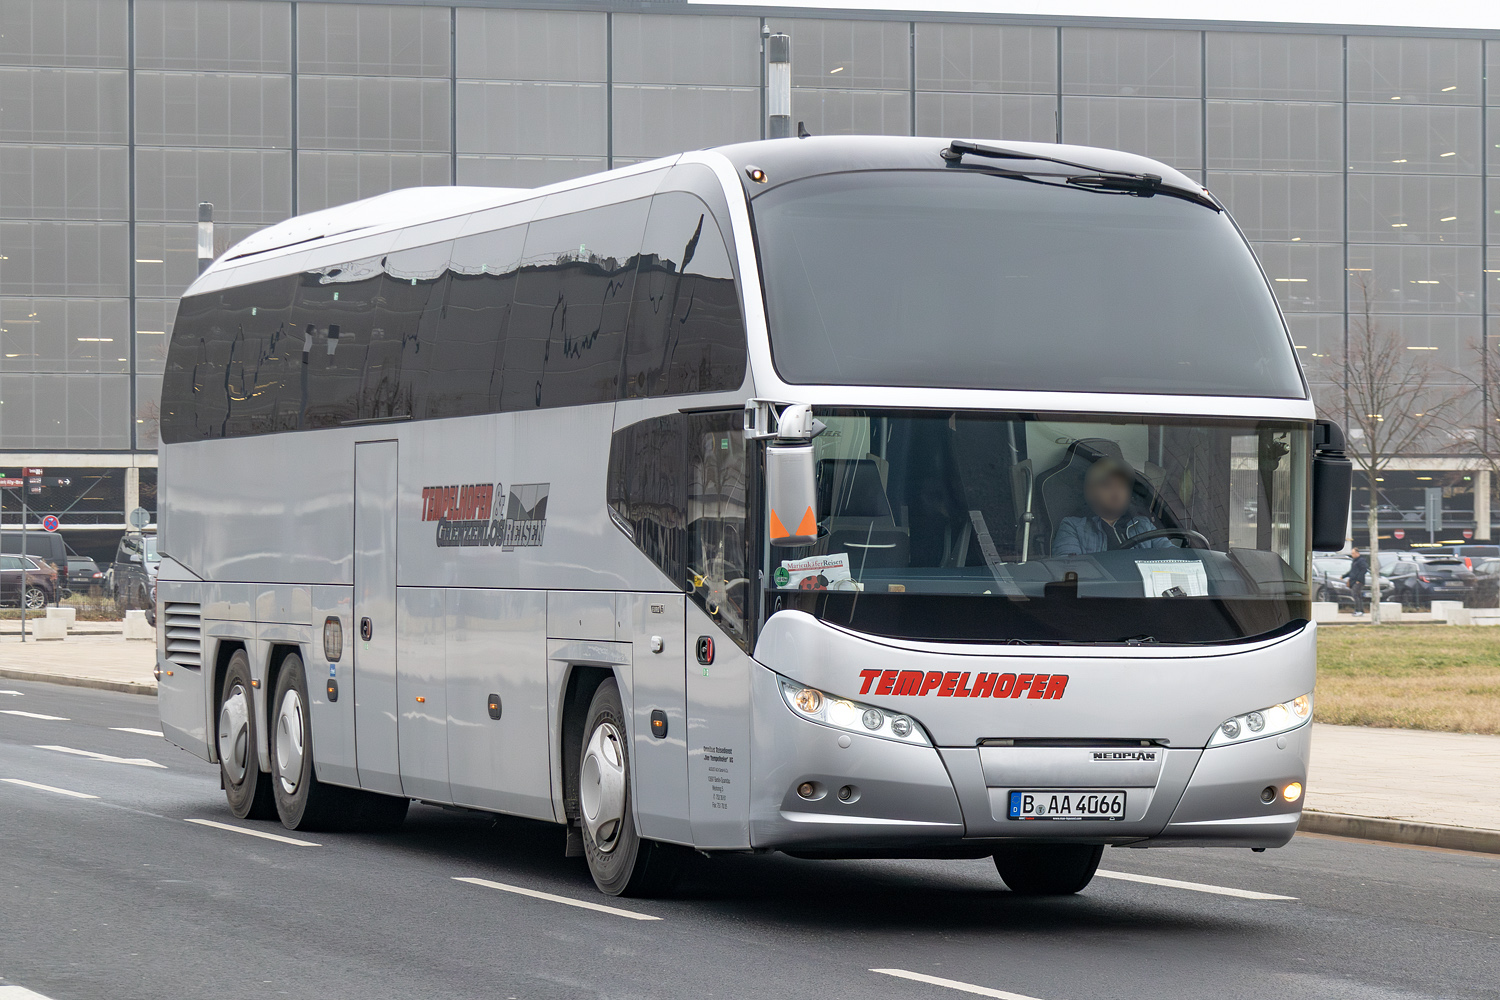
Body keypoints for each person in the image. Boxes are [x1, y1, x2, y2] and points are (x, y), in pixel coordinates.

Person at [1053, 458, 1171, 556]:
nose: (1116, 493)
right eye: (1107, 485)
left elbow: (1173, 556)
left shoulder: (1143, 525)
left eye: (1122, 486)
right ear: (1089, 491)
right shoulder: (1073, 527)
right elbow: (1068, 568)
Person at [1344, 548, 1369, 615]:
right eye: (1352, 553)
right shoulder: (1354, 561)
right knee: (1358, 595)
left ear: (1357, 553)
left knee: (1355, 594)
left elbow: (1364, 570)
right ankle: (1360, 610)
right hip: (1353, 581)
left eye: (1353, 553)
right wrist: (1344, 576)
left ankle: (1358, 610)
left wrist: (1359, 580)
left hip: (1358, 581)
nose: (1352, 555)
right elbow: (1352, 571)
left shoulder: (1361, 561)